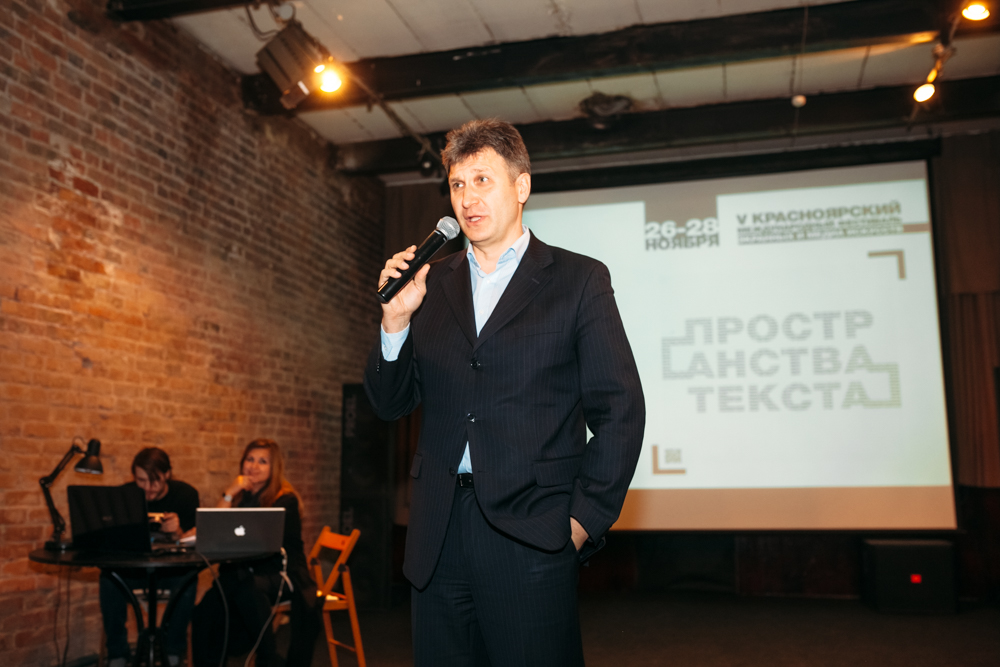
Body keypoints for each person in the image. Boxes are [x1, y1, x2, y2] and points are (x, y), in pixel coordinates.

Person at [364, 118, 645, 666]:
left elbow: (621, 411)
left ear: (521, 187)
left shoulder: (578, 279)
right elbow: (390, 403)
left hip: (533, 534)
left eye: (482, 180)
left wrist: (581, 521)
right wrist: (394, 321)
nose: (467, 197)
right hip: (438, 536)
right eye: (457, 184)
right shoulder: (429, 284)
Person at [191, 438, 320, 667]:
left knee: (246, 590)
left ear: (274, 468)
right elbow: (215, 526)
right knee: (207, 607)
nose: (254, 466)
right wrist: (230, 493)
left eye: (263, 461)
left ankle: (267, 657)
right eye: (250, 459)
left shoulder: (285, 500)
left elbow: (262, 543)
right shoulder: (244, 497)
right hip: (247, 572)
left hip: (283, 572)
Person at [99, 447, 200, 667]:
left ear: (167, 474)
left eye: (154, 481)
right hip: (134, 571)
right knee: (109, 579)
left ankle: (173, 651)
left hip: (170, 572)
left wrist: (178, 532)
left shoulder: (185, 495)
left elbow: (194, 543)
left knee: (189, 578)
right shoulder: (125, 495)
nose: (147, 488)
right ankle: (117, 654)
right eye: (141, 481)